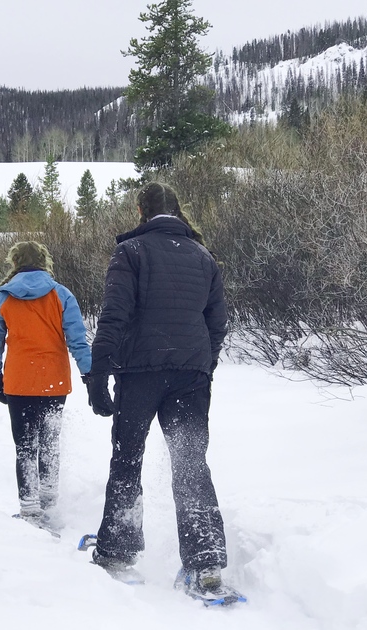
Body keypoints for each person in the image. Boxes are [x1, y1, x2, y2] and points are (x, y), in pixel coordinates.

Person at [84, 182, 232, 599]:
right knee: (191, 464)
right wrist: (204, 364)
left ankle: (117, 551)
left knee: (127, 456)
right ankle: (205, 565)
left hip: (141, 373)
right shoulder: (204, 257)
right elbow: (217, 324)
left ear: (140, 210)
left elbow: (114, 316)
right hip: (190, 375)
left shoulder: (130, 252)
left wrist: (98, 375)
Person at [0, 241, 91, 529]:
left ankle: (30, 510)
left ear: (15, 262)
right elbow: (77, 339)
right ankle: (50, 504)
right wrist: (89, 374)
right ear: (45, 261)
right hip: (54, 382)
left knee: (25, 446)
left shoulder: (5, 297)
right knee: (50, 444)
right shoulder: (61, 295)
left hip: (18, 383)